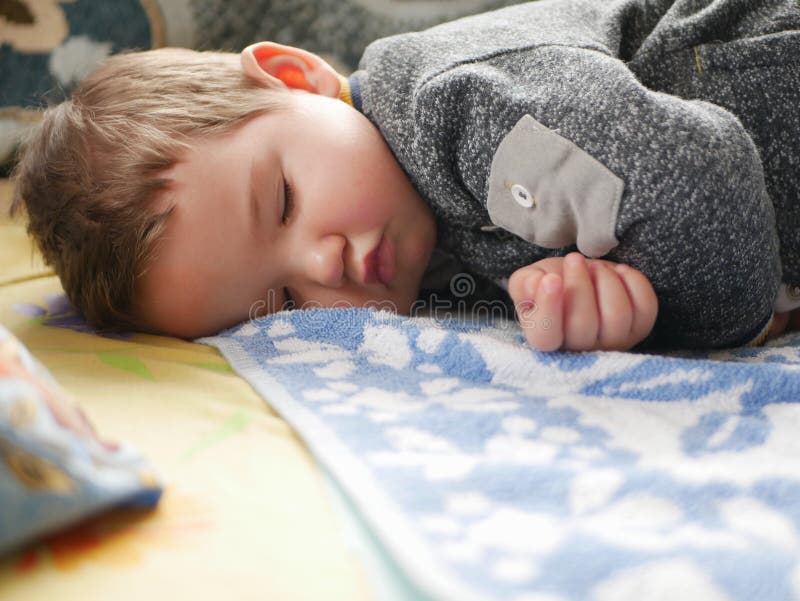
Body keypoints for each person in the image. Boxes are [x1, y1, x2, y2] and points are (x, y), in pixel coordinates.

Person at [10, 0, 800, 352]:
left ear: (299, 79)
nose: (323, 266)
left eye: (282, 201)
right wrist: (599, 309)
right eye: (281, 302)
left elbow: (702, 189)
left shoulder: (453, 107)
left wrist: (696, 324)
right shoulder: (424, 273)